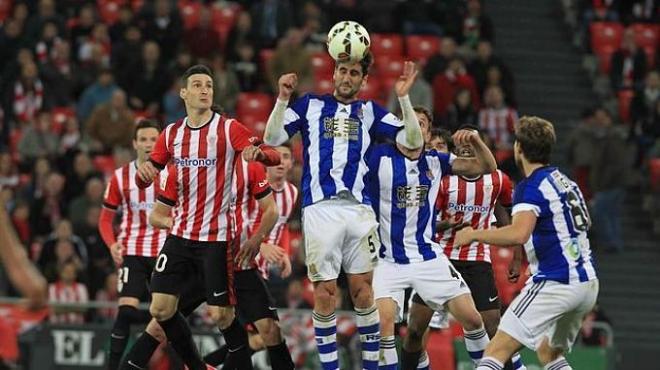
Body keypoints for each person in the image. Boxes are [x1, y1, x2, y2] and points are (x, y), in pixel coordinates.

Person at [263, 53, 424, 370]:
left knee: (363, 292)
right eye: (342, 71)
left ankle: (370, 367)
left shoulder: (370, 111)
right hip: (321, 209)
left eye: (354, 73)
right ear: (333, 74)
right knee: (324, 292)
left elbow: (413, 142)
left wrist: (403, 98)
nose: (347, 77)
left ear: (364, 81)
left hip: (360, 211)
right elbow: (272, 138)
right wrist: (283, 98)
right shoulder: (309, 105)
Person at [134, 64, 280, 370]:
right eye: (197, 85)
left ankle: (239, 364)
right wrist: (143, 174)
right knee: (160, 309)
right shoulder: (171, 134)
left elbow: (272, 154)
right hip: (180, 236)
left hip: (216, 239)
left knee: (221, 316)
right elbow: (148, 175)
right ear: (184, 93)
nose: (204, 90)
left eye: (209, 85)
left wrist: (260, 154)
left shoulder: (228, 129)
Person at [455, 116, 599, 370]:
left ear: (518, 148)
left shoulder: (530, 187)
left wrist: (473, 234)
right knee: (548, 351)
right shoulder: (565, 181)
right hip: (586, 284)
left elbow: (518, 234)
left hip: (556, 283)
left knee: (496, 349)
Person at [367, 108, 497, 370]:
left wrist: (475, 141)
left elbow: (487, 166)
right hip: (388, 260)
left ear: (427, 134)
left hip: (428, 257)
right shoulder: (378, 157)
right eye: (408, 123)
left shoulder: (436, 161)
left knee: (473, 320)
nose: (415, 128)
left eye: (422, 124)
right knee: (383, 327)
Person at [410, 124, 527, 370]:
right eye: (461, 142)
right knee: (414, 331)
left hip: (477, 260)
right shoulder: (443, 179)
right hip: (441, 259)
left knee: (493, 325)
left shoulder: (498, 180)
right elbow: (427, 222)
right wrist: (447, 224)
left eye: (472, 141)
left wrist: (517, 255)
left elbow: (504, 211)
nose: (466, 146)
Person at [98, 120, 169, 370]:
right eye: (144, 140)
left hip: (164, 252)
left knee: (170, 318)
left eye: (153, 140)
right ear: (135, 144)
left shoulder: (170, 174)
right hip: (133, 251)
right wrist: (111, 244)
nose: (149, 145)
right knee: (125, 313)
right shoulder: (120, 177)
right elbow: (106, 219)